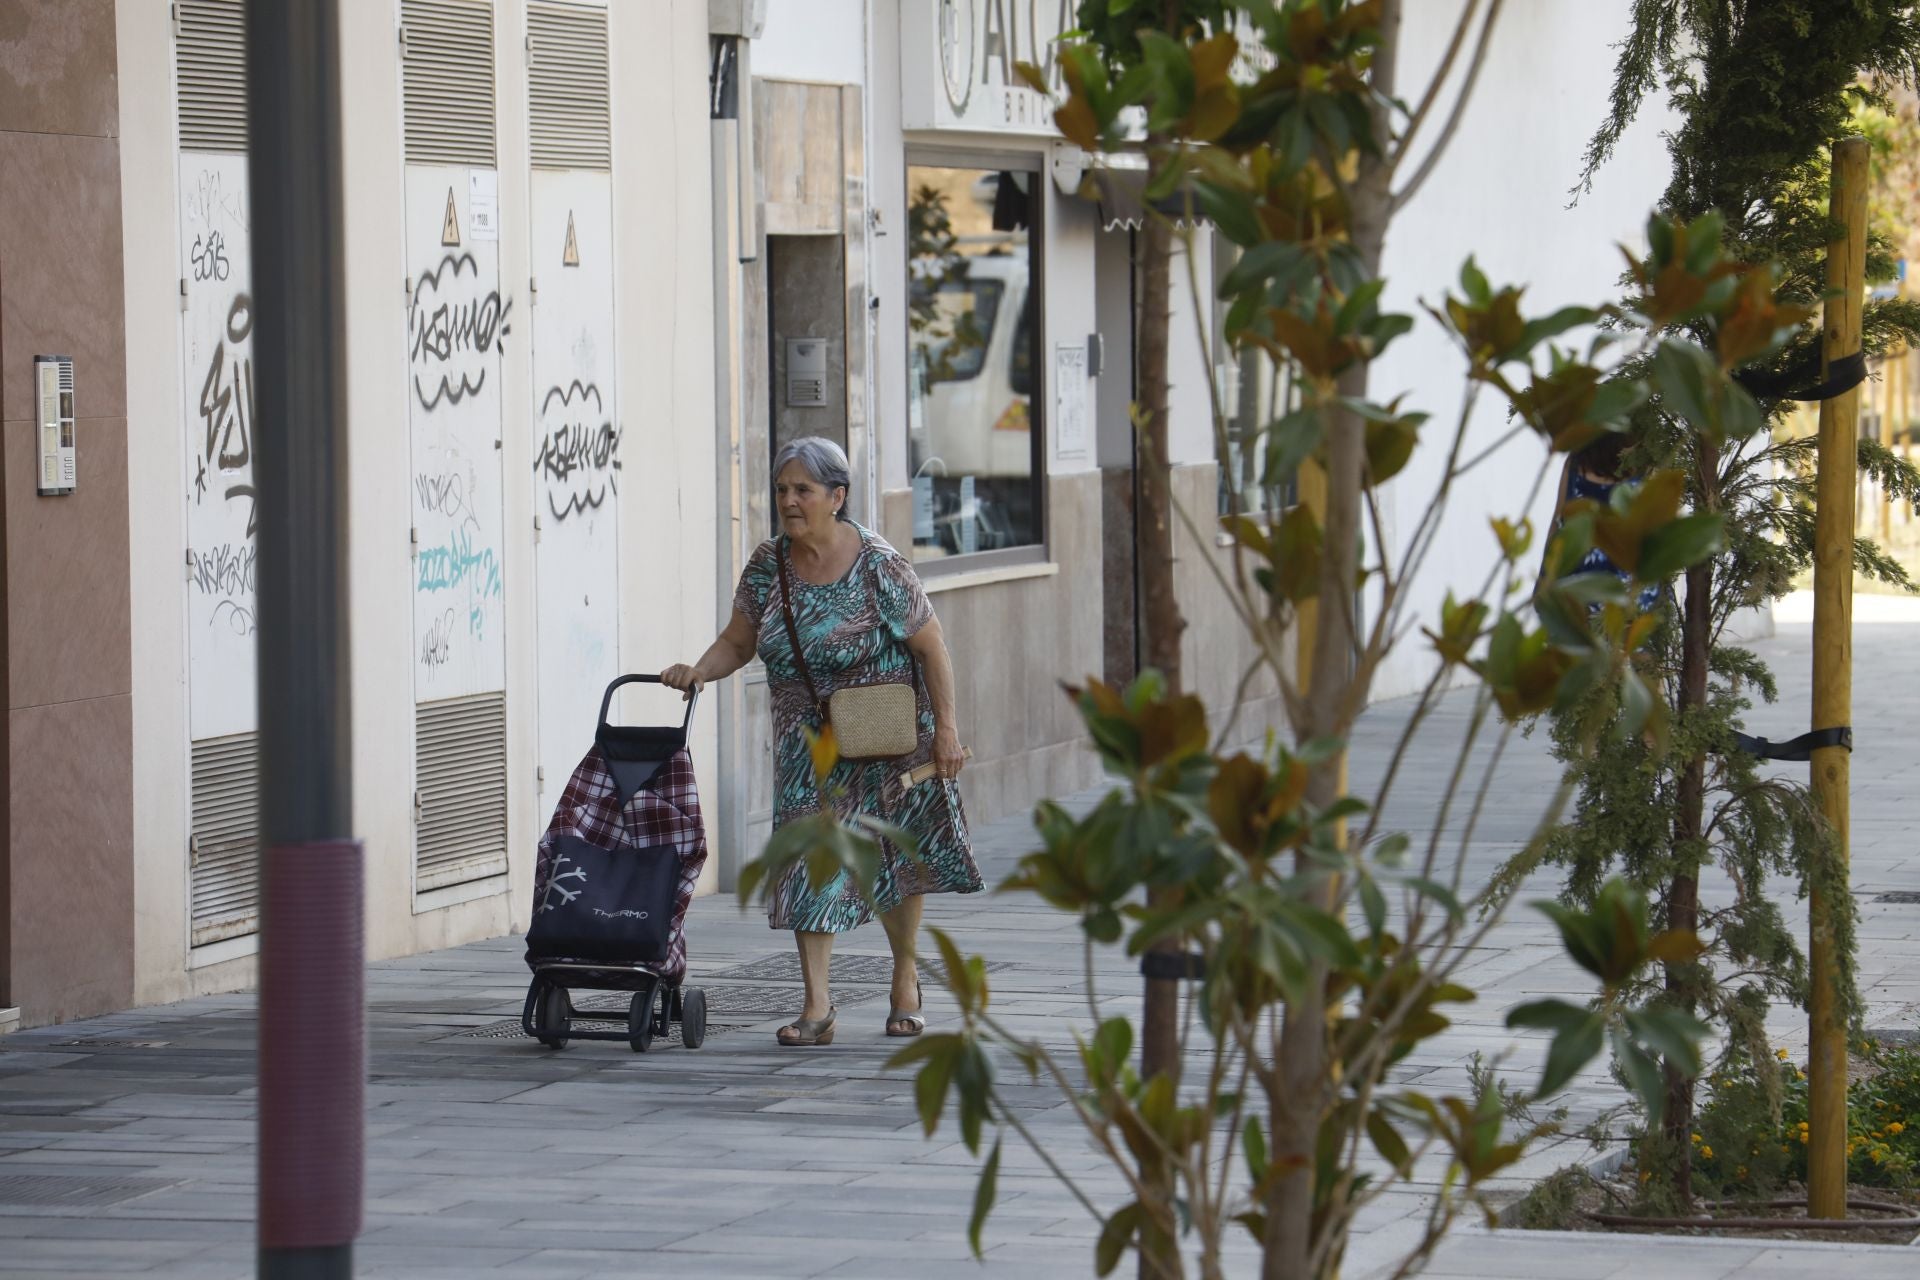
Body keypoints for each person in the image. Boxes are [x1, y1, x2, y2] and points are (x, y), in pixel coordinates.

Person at [662, 436, 981, 1046]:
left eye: (803, 490)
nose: (789, 501)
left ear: (837, 497)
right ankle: (817, 1006)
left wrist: (946, 731)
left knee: (895, 858)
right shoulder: (767, 565)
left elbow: (931, 645)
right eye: (782, 489)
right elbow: (738, 640)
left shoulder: (880, 564)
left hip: (886, 734)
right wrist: (701, 669)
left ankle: (905, 977)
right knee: (810, 858)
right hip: (807, 744)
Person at [1541, 431, 1663, 612]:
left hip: (1574, 601)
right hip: (1629, 604)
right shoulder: (1646, 465)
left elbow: (1558, 526)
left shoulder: (1575, 462)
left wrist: (1544, 582)